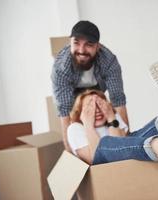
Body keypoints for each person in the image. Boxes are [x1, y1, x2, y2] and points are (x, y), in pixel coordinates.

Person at [51, 20, 129, 152]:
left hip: (98, 88)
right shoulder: (61, 68)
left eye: (89, 45)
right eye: (76, 43)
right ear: (70, 42)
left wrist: (127, 142)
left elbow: (118, 101)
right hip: (73, 94)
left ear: (98, 47)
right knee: (78, 127)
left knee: (107, 118)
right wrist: (71, 152)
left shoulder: (109, 61)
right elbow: (64, 111)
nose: (81, 50)